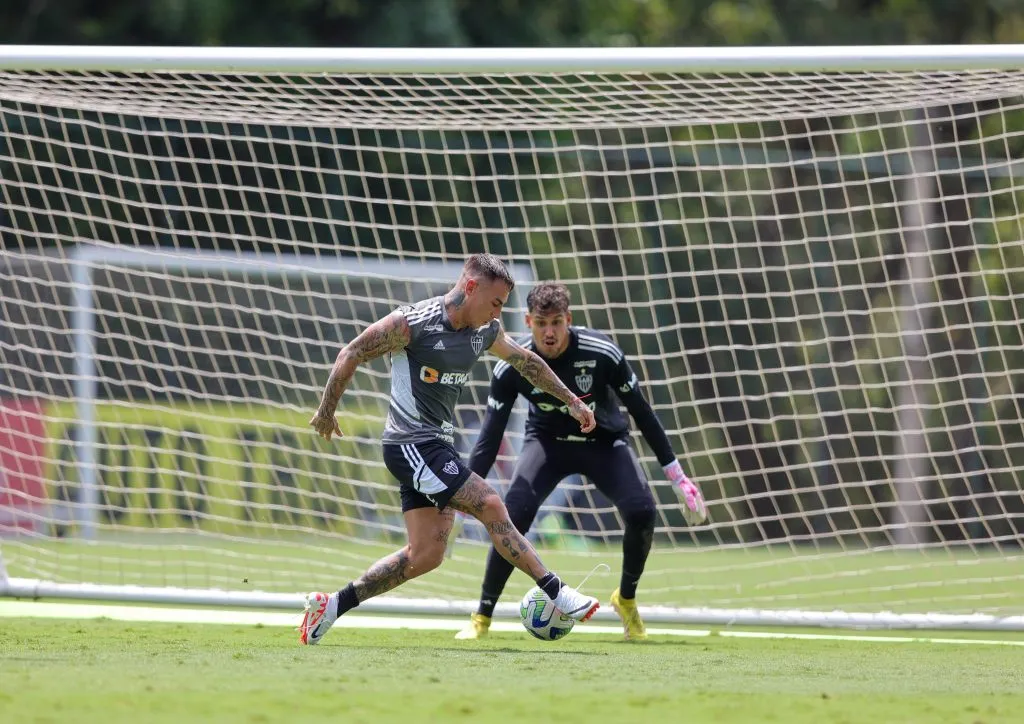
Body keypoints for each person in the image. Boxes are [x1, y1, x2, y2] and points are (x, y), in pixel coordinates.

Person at [300, 254, 601, 645]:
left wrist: (572, 401)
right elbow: (352, 352)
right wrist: (326, 410)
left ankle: (332, 605)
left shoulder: (484, 332)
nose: (499, 313)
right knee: (490, 502)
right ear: (471, 287)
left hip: (436, 448)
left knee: (425, 555)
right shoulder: (414, 323)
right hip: (409, 444)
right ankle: (557, 591)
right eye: (495, 302)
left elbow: (527, 363)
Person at [453, 282, 707, 642]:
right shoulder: (511, 364)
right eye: (541, 323)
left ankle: (627, 600)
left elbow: (642, 413)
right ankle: (482, 615)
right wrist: (465, 501)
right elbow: (490, 436)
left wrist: (678, 476)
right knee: (513, 514)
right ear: (527, 321)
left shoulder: (603, 353)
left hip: (604, 443)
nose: (550, 332)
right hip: (547, 444)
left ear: (569, 320)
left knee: (642, 511)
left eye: (557, 322)